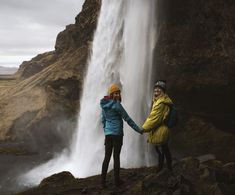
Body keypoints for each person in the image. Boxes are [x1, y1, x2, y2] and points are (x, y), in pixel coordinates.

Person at [100, 84, 142, 188]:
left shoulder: (104, 105)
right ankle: (117, 182)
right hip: (117, 134)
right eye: (115, 93)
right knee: (116, 157)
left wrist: (106, 130)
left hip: (108, 134)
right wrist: (139, 130)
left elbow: (103, 119)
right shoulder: (117, 105)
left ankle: (103, 183)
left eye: (118, 93)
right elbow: (127, 119)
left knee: (107, 157)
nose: (118, 95)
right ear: (111, 94)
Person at [142, 80, 173, 172]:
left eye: (159, 90)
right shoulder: (159, 101)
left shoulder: (161, 103)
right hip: (160, 128)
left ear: (163, 91)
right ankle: (167, 167)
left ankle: (162, 168)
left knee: (161, 149)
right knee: (163, 148)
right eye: (155, 90)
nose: (156, 92)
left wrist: (143, 129)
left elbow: (154, 118)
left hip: (161, 129)